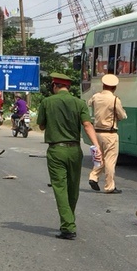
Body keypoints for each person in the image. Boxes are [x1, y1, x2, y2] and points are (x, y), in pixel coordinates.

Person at [37, 72, 100, 239]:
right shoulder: (79, 103)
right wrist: (96, 146)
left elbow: (41, 126)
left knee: (60, 188)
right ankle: (69, 220)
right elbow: (87, 125)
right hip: (74, 150)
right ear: (68, 87)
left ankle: (68, 226)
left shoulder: (47, 102)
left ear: (55, 86)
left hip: (56, 150)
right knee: (73, 188)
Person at [87, 73, 127, 194]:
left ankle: (93, 177)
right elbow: (122, 115)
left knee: (100, 157)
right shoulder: (115, 100)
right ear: (114, 87)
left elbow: (89, 104)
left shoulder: (96, 97)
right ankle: (109, 186)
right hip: (110, 133)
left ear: (103, 85)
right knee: (110, 160)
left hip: (97, 132)